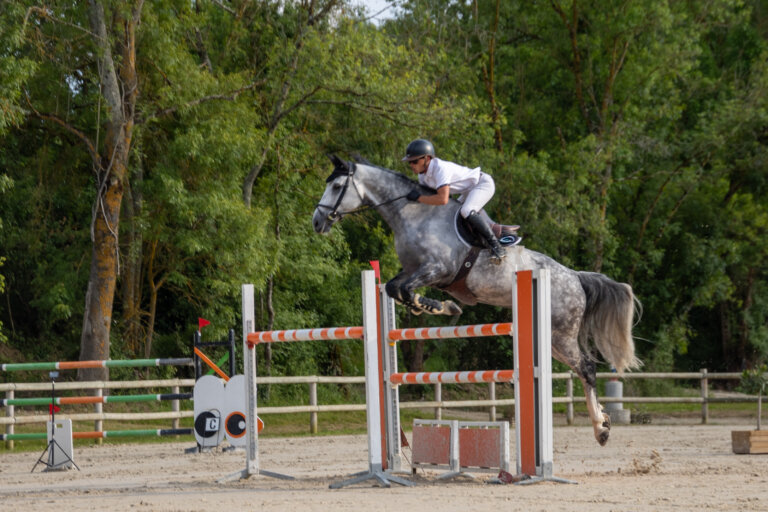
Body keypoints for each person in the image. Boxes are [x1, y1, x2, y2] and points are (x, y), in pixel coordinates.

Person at [402, 139, 505, 263]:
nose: (411, 165)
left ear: (427, 158)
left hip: (482, 184)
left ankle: (497, 247)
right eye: (409, 162)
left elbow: (443, 199)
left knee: (466, 210)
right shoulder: (422, 176)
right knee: (452, 216)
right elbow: (431, 201)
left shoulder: (440, 168)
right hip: (468, 192)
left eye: (414, 161)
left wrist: (418, 197)